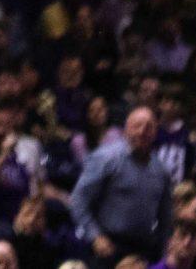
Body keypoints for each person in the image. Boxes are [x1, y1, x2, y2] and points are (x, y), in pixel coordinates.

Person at [72, 108, 176, 263]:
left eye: (149, 127)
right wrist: (95, 237)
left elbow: (165, 217)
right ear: (126, 128)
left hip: (142, 249)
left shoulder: (161, 171)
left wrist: (164, 250)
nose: (142, 131)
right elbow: (78, 200)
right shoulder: (105, 158)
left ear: (155, 132)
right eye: (137, 125)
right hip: (107, 244)